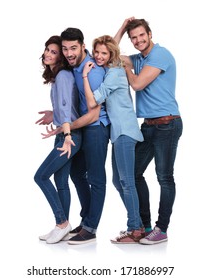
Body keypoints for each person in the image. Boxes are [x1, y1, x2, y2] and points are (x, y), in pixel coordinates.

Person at [114, 18, 183, 244]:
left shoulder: (160, 55)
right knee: (133, 174)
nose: (138, 40)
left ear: (150, 34)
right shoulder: (138, 58)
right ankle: (144, 226)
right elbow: (108, 54)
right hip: (148, 126)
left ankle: (161, 229)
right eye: (133, 37)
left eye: (141, 35)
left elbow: (137, 85)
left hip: (167, 124)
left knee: (164, 176)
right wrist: (122, 29)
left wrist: (126, 68)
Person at [82, 35, 145, 244]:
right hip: (118, 134)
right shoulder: (110, 69)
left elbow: (92, 102)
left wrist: (84, 77)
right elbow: (111, 44)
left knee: (126, 182)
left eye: (104, 53)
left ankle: (135, 228)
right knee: (119, 181)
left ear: (111, 55)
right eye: (97, 52)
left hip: (125, 131)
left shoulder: (115, 73)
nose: (98, 57)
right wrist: (120, 28)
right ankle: (137, 224)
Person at [59, 27, 110, 244]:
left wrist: (67, 127)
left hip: (97, 128)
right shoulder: (75, 68)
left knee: (96, 179)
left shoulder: (93, 71)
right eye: (64, 49)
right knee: (77, 173)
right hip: (82, 129)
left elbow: (94, 113)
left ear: (82, 46)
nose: (68, 53)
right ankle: (86, 219)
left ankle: (90, 228)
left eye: (73, 48)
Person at [34, 35, 84, 244]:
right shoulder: (58, 76)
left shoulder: (63, 75)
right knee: (61, 181)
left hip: (69, 136)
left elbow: (66, 110)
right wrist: (52, 115)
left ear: (61, 57)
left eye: (54, 52)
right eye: (47, 49)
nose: (48, 54)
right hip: (63, 133)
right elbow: (66, 109)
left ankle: (62, 223)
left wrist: (67, 136)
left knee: (41, 176)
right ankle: (61, 227)